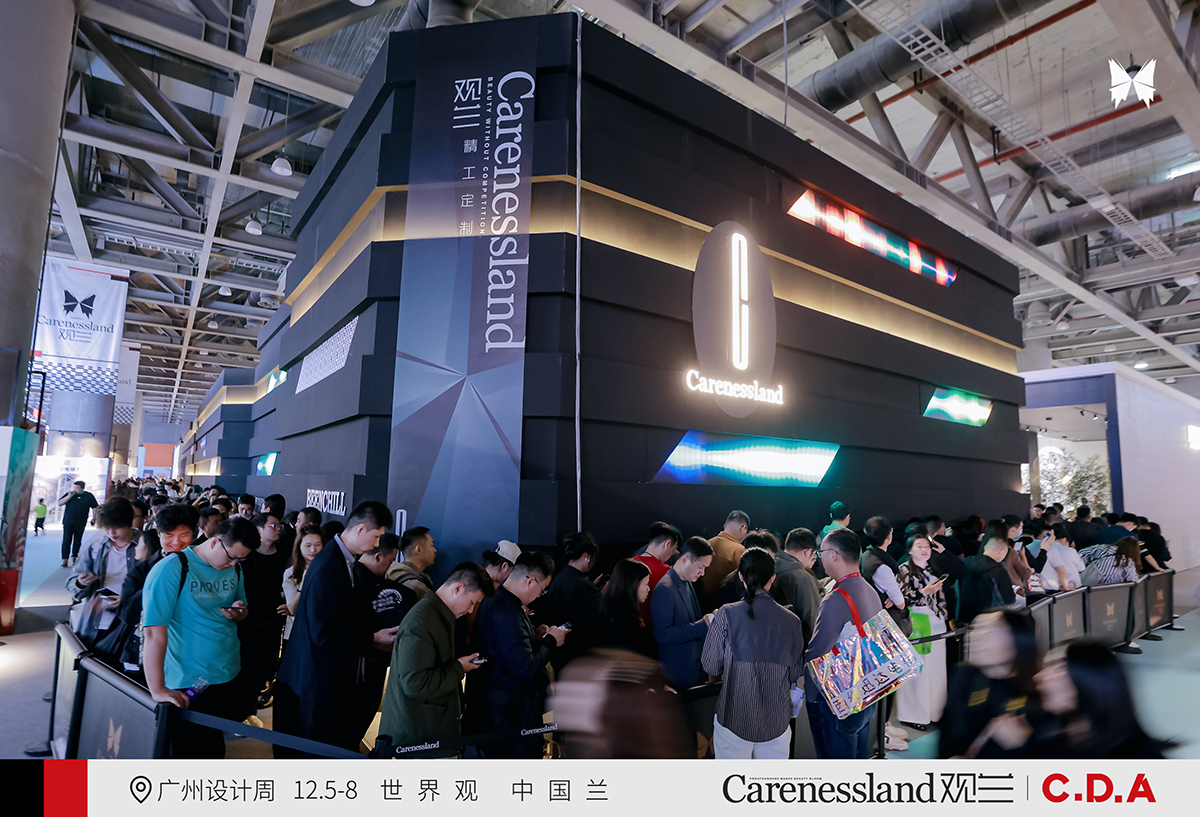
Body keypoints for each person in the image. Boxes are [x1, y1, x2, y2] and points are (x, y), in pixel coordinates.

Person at [274, 501, 398, 755]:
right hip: (318, 679)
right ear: (360, 529)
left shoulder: (340, 560)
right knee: (316, 749)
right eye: (376, 536)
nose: (377, 544)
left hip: (324, 676)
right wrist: (372, 637)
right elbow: (323, 632)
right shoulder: (328, 565)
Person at [142, 518, 255, 758]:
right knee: (187, 752)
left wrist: (239, 611)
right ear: (214, 542)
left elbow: (243, 609)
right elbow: (153, 631)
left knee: (213, 748)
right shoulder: (172, 568)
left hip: (225, 673)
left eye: (240, 559)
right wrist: (158, 689)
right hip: (186, 679)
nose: (234, 564)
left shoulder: (235, 568)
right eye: (231, 557)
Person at [379, 562, 493, 756]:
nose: (470, 610)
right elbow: (416, 684)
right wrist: (459, 668)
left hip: (430, 736)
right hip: (418, 742)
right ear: (458, 588)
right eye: (472, 602)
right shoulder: (422, 621)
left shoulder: (440, 616)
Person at [702, 548, 805, 759]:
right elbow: (795, 672)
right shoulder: (792, 621)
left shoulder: (726, 614)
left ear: (741, 576)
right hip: (776, 720)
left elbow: (710, 665)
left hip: (734, 717)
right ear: (772, 578)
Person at [470, 551, 569, 758]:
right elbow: (524, 669)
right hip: (511, 715)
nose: (539, 596)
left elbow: (509, 650)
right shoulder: (507, 612)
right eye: (542, 589)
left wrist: (535, 637)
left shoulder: (499, 600)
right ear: (530, 581)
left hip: (502, 709)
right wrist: (551, 641)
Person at [805, 528, 883, 759]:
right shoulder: (870, 590)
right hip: (868, 691)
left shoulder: (837, 597)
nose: (820, 559)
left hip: (839, 696)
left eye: (821, 553)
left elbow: (817, 654)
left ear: (833, 555)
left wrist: (810, 696)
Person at [1032, 641, 1174, 758]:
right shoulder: (1048, 736)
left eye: (1060, 668)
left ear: (1092, 682)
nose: (1039, 677)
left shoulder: (1138, 758)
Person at [939, 610, 1040, 758]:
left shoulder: (1038, 694)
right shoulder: (963, 675)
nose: (974, 637)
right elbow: (948, 736)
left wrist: (1023, 744)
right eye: (974, 628)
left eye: (991, 632)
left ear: (1016, 640)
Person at [349, 533, 417, 745]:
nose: (390, 566)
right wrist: (373, 637)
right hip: (358, 665)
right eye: (390, 560)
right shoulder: (349, 584)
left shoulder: (400, 591)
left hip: (373, 664)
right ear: (378, 556)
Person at [238, 511, 290, 715]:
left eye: (279, 525)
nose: (278, 529)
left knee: (266, 665)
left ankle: (254, 702)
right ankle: (243, 708)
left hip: (274, 621)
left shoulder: (285, 554)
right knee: (246, 665)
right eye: (273, 525)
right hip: (247, 621)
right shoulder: (246, 556)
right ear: (259, 529)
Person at [896, 533, 949, 731]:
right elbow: (899, 599)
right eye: (919, 546)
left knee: (936, 670)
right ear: (910, 550)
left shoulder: (933, 569)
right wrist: (923, 592)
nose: (924, 549)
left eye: (926, 546)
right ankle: (913, 714)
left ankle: (935, 712)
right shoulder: (904, 570)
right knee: (917, 670)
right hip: (916, 623)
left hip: (937, 624)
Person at [71, 497, 140, 642]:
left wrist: (130, 600)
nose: (111, 533)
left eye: (117, 527)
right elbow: (72, 585)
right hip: (98, 618)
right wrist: (81, 583)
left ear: (129, 523)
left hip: (132, 621)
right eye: (106, 528)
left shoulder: (146, 546)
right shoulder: (96, 548)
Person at [652, 536, 714, 689]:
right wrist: (702, 625)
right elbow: (662, 634)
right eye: (701, 567)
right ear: (685, 559)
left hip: (693, 670)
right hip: (676, 675)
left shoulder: (686, 581)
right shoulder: (665, 588)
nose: (702, 573)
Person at [539, 531, 603, 670]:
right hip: (580, 657)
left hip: (558, 653)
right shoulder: (586, 587)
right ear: (586, 556)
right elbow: (597, 625)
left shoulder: (558, 578)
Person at [771, 528, 822, 646]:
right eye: (813, 554)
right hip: (794, 648)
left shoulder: (768, 567)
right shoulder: (803, 578)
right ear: (807, 551)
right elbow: (812, 621)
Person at [599, 558, 656, 658]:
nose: (649, 589)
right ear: (633, 585)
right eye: (646, 584)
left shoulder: (608, 609)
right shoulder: (626, 621)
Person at [698, 511, 749, 614]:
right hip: (725, 611)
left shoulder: (705, 544)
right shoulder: (741, 552)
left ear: (725, 525)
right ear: (743, 527)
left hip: (699, 608)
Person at [281, 525, 324, 645]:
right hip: (297, 633)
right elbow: (292, 610)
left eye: (318, 544)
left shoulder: (328, 570)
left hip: (321, 633)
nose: (313, 550)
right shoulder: (291, 573)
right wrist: (303, 585)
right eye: (308, 545)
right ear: (299, 546)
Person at [957, 538, 1017, 624]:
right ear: (1001, 551)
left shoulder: (965, 563)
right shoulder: (998, 571)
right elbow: (1007, 600)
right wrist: (1012, 593)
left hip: (964, 618)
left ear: (985, 548)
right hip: (989, 620)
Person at [632, 521, 681, 625]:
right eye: (672, 551)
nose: (671, 555)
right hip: (654, 628)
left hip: (632, 626)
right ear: (667, 544)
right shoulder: (666, 572)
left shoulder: (629, 563)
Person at [717, 530, 777, 606]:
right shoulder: (728, 587)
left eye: (772, 558)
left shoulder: (771, 578)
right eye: (762, 558)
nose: (769, 563)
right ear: (746, 552)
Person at [386, 525, 437, 599]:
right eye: (432, 545)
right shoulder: (417, 588)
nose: (435, 550)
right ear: (418, 549)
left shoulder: (390, 574)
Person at [59, 480, 99, 567]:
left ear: (82, 488)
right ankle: (65, 559)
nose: (75, 489)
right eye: (74, 487)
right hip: (68, 521)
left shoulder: (88, 496)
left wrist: (94, 518)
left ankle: (74, 556)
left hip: (81, 522)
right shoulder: (70, 494)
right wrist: (69, 496)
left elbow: (95, 507)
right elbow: (60, 503)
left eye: (77, 488)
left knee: (77, 540)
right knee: (66, 540)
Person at [1038, 523, 1085, 592]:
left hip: (1047, 587)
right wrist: (1065, 586)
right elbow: (1081, 568)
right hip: (1071, 586)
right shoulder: (1068, 551)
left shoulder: (1038, 547)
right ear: (1064, 539)